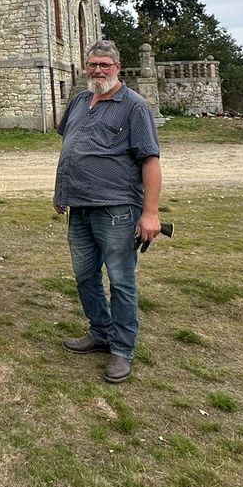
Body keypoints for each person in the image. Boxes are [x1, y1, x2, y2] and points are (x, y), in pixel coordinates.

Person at [52, 39, 162, 383]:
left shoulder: (133, 107)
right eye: (93, 64)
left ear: (117, 67)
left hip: (116, 209)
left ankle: (122, 349)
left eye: (105, 65)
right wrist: (61, 191)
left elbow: (151, 161)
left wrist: (150, 213)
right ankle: (100, 331)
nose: (98, 70)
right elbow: (71, 147)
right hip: (80, 209)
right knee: (85, 276)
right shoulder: (80, 101)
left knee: (121, 280)